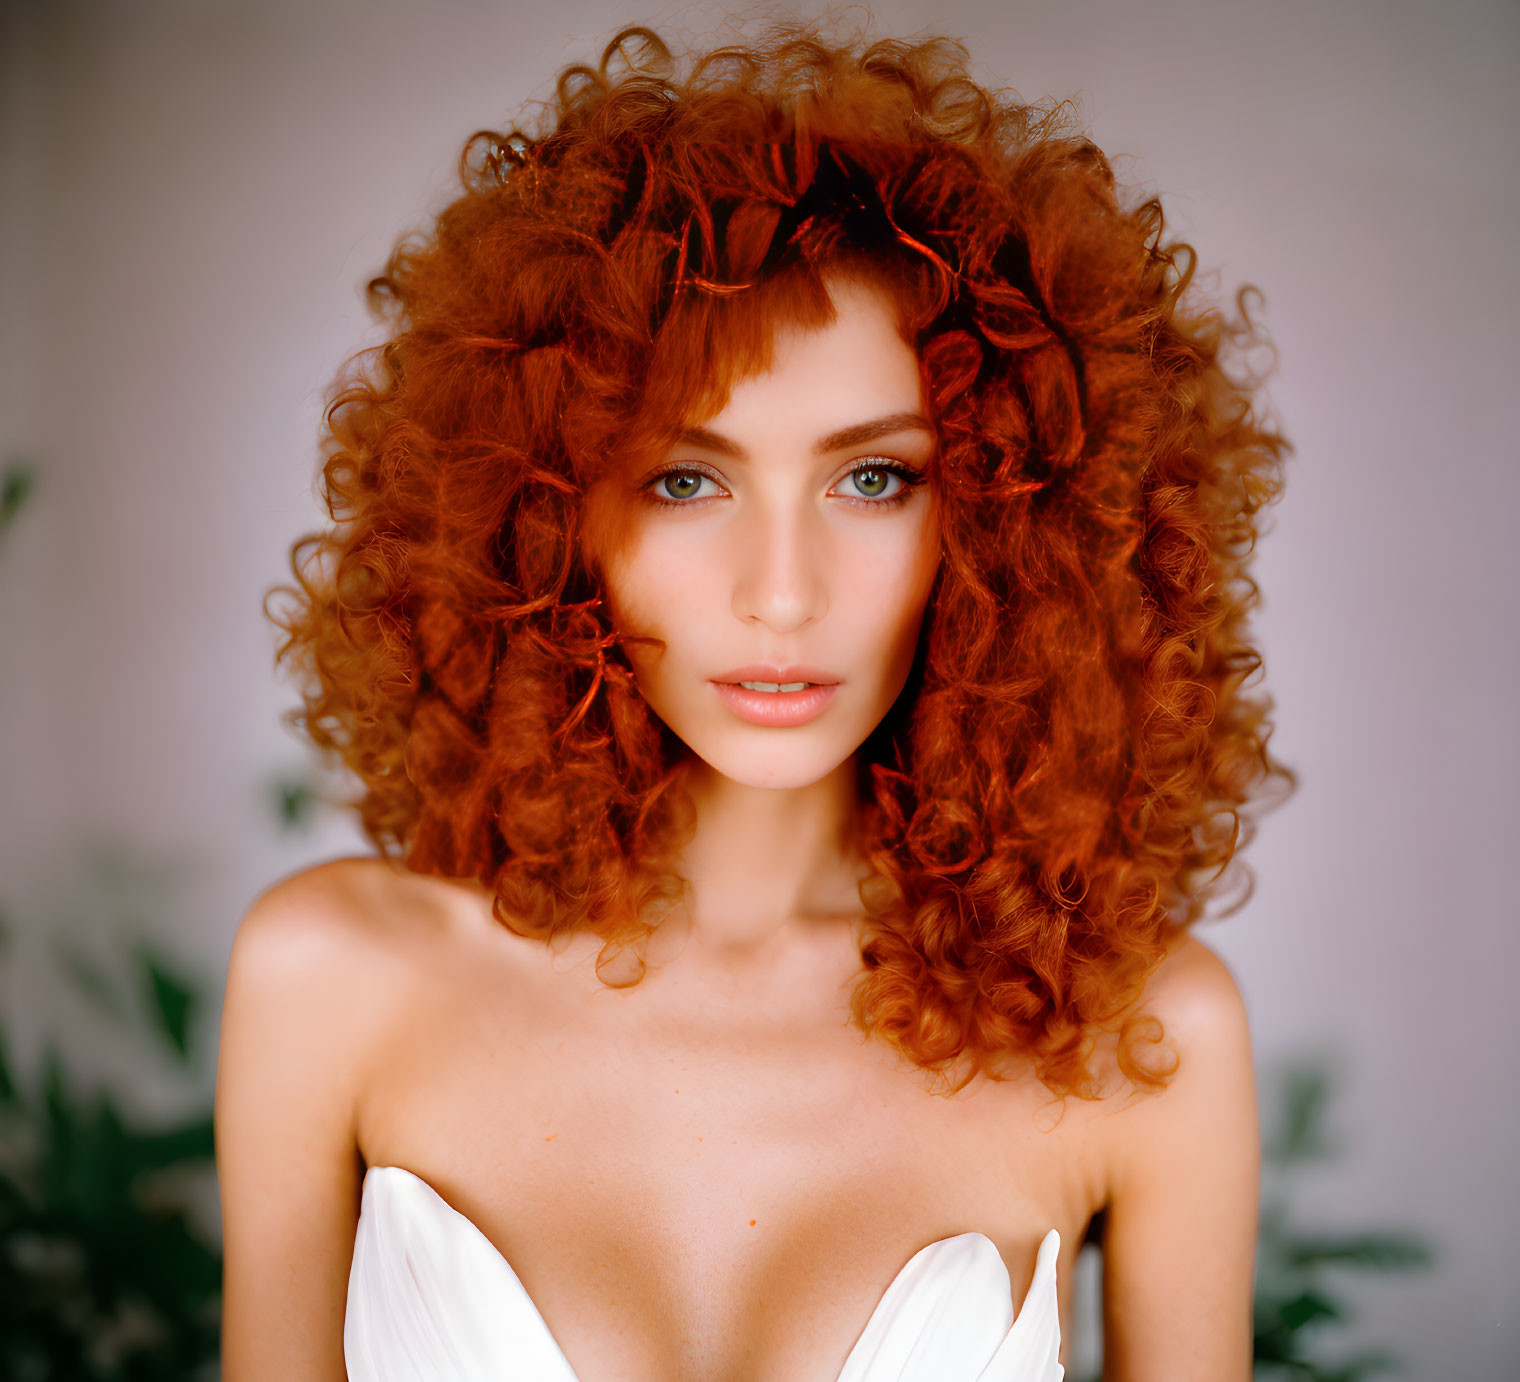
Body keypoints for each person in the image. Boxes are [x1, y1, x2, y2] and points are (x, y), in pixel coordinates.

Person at [215, 18, 1293, 1382]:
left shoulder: (1142, 1039)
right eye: (684, 478)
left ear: (1019, 524)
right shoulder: (331, 981)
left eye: (875, 478)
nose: (780, 593)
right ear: (547, 516)